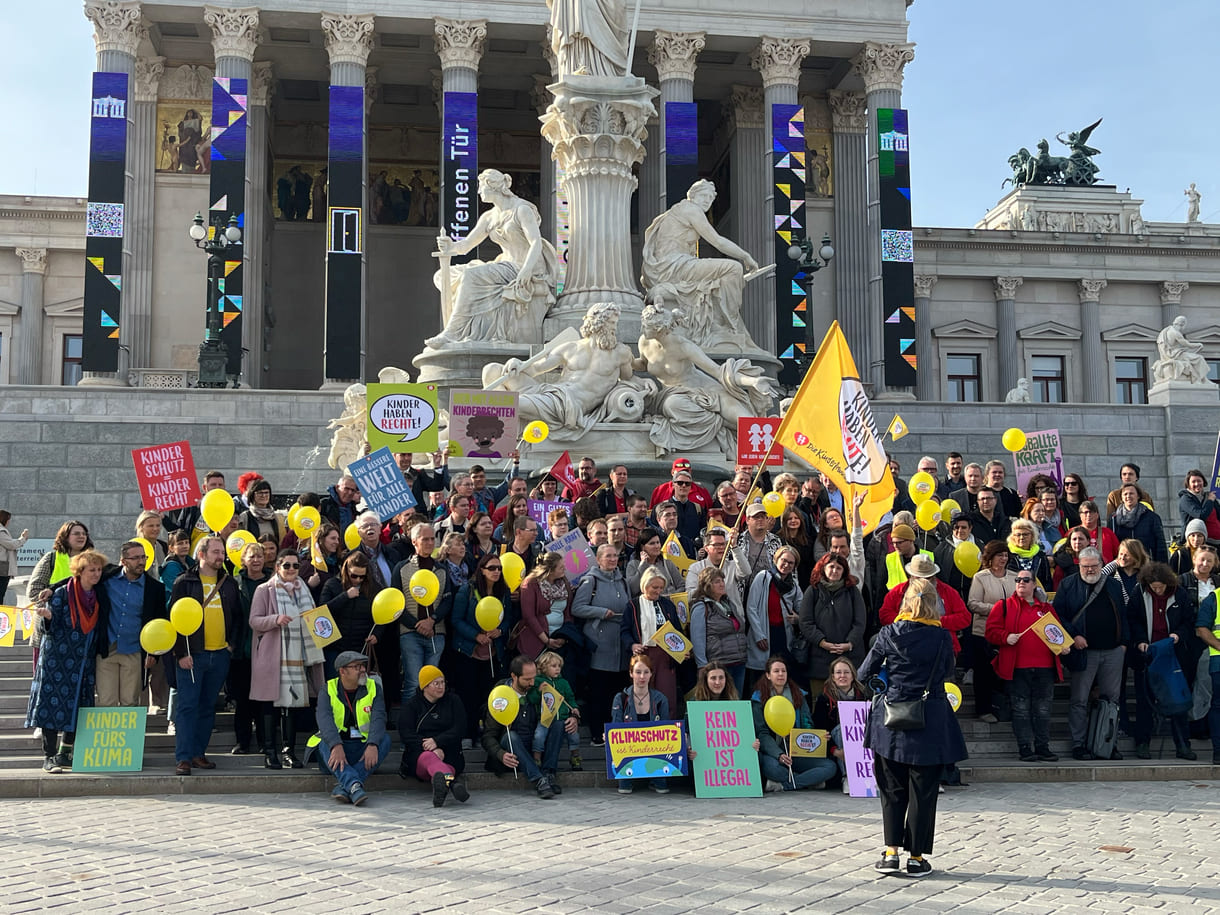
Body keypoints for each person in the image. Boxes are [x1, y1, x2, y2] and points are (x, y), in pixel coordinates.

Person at [859, 578, 967, 877]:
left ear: (905, 602)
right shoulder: (942, 637)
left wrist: (887, 685)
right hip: (930, 718)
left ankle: (891, 853)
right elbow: (947, 671)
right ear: (934, 604)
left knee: (892, 788)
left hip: (891, 718)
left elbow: (864, 672)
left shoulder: (888, 633)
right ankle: (917, 857)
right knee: (924, 792)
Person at [426, 169, 558, 349]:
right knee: (443, 275)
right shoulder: (489, 217)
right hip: (504, 265)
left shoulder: (521, 210)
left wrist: (526, 270)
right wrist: (450, 246)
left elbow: (536, 243)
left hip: (523, 267)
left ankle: (452, 332)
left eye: (481, 186)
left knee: (471, 276)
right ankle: (466, 329)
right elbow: (466, 245)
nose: (479, 191)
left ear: (492, 186)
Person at [26, 550, 110, 772]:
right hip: (57, 660)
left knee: (79, 706)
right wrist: (49, 618)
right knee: (52, 706)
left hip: (83, 661)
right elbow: (50, 628)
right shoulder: (62, 593)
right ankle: (49, 756)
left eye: (99, 570)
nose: (96, 574)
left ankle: (65, 753)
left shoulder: (99, 594)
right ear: (80, 572)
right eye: (92, 570)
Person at [169, 536, 242, 775]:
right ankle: (183, 758)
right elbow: (174, 618)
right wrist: (180, 653)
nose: (221, 556)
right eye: (216, 552)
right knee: (187, 706)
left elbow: (237, 617)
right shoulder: (185, 582)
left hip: (219, 655)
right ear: (202, 554)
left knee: (207, 707)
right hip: (192, 655)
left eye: (222, 552)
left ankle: (199, 753)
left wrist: (230, 646)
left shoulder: (229, 583)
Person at [249, 550, 325, 770]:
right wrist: (275, 619)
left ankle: (289, 752)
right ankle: (270, 752)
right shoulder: (265, 590)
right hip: (274, 656)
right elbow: (254, 620)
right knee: (270, 707)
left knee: (290, 707)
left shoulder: (304, 591)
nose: (291, 570)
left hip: (297, 656)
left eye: (295, 566)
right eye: (287, 566)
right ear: (277, 568)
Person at [1052, 547, 1130, 761]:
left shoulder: (1113, 585)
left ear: (1101, 564)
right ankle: (1079, 744)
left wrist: (1124, 644)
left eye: (1094, 566)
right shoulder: (1068, 584)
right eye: (1085, 566)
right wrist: (1074, 636)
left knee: (1111, 701)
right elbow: (1058, 616)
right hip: (1084, 652)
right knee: (1079, 699)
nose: (1089, 570)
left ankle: (1108, 743)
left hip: (1113, 651)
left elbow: (1124, 615)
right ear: (1079, 565)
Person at [985, 568, 1068, 762]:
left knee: (1043, 709)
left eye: (1025, 580)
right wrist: (1006, 637)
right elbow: (990, 632)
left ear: (1034, 584)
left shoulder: (1047, 608)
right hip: (1017, 668)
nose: (1021, 582)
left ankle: (1042, 747)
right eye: (1018, 580)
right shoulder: (1004, 605)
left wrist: (1063, 647)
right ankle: (1025, 748)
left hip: (1044, 668)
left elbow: (1057, 633)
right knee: (1020, 710)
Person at [1129, 563, 1195, 759]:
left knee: (1177, 700)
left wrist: (1178, 635)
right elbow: (1133, 619)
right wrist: (1140, 640)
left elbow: (1188, 621)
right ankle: (1143, 743)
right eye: (1154, 587)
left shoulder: (1180, 594)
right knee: (1144, 702)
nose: (1157, 590)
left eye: (1160, 587)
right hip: (1147, 653)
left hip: (1173, 654)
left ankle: (1183, 745)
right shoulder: (1139, 593)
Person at [307, 651, 391, 806]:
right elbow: (324, 721)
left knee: (384, 740)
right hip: (336, 753)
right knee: (322, 741)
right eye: (357, 666)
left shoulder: (374, 687)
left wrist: (372, 744)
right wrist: (335, 745)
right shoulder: (328, 689)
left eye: (363, 666)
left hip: (362, 750)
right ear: (342, 671)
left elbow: (379, 718)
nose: (363, 670)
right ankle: (354, 785)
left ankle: (347, 785)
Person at [572, 544, 632, 746]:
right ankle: (598, 734)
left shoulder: (622, 581)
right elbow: (577, 608)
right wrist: (600, 612)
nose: (613, 559)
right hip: (600, 645)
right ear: (598, 559)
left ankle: (617, 734)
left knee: (619, 692)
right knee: (600, 694)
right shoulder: (590, 580)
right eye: (608, 556)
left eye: (615, 555)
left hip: (620, 647)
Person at [481, 656, 564, 799]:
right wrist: (500, 754)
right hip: (513, 748)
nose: (532, 682)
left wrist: (573, 718)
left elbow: (561, 709)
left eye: (534, 678)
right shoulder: (500, 697)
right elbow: (488, 735)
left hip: (536, 745)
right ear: (514, 676)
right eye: (527, 679)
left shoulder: (540, 688)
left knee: (558, 724)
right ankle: (539, 780)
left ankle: (548, 774)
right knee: (510, 737)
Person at [751, 656, 838, 793]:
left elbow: (807, 723)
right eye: (776, 671)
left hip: (797, 750)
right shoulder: (758, 698)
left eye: (783, 671)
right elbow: (762, 733)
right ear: (768, 675)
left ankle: (786, 785)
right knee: (774, 770)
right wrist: (779, 754)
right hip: (774, 753)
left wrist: (818, 738)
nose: (780, 674)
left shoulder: (798, 695)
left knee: (830, 767)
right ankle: (808, 780)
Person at [97, 540, 166, 707]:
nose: (141, 561)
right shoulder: (106, 577)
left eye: (144, 557)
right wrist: (51, 588)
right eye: (136, 558)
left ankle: (127, 735)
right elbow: (78, 578)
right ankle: (109, 734)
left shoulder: (154, 588)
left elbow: (159, 621)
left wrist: (154, 654)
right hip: (107, 649)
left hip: (134, 651)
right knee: (106, 702)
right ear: (123, 561)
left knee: (130, 703)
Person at [451, 554, 510, 743]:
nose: (497, 572)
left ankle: (489, 735)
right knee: (469, 694)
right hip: (469, 651)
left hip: (493, 652)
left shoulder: (503, 592)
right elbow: (456, 620)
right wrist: (476, 636)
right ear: (482, 570)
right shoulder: (466, 590)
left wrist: (500, 630)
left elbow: (508, 618)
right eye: (492, 568)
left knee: (489, 694)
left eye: (499, 568)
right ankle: (468, 733)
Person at [392, 524, 450, 701]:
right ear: (414, 541)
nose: (430, 542)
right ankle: (410, 724)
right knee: (413, 682)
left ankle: (430, 722)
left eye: (432, 539)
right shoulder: (401, 568)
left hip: (436, 633)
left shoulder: (441, 569)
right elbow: (395, 602)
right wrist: (417, 625)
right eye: (425, 539)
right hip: (410, 633)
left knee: (433, 682)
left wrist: (432, 620)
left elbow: (447, 600)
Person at [397, 664, 469, 807]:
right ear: (425, 686)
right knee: (430, 758)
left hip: (449, 752)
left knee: (446, 762)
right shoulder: (412, 706)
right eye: (436, 683)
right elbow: (406, 734)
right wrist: (429, 747)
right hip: (421, 754)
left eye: (442, 682)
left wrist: (438, 741)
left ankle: (444, 783)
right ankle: (452, 783)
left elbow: (460, 728)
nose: (440, 686)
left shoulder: (454, 701)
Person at [27, 520, 93, 670]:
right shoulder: (51, 559)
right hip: (50, 630)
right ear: (65, 536)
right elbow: (34, 591)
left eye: (84, 534)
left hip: (80, 630)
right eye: (76, 533)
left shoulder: (93, 562)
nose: (81, 536)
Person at [799, 553, 867, 698]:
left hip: (849, 658)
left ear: (844, 571)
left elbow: (860, 621)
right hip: (819, 660)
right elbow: (805, 622)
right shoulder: (813, 591)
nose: (834, 571)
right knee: (820, 704)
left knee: (850, 702)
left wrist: (849, 643)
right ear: (823, 568)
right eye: (831, 567)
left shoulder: (852, 591)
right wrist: (822, 642)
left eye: (839, 568)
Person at [622, 567, 686, 714]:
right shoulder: (633, 605)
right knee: (643, 694)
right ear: (645, 586)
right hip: (643, 655)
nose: (658, 591)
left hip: (665, 655)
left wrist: (683, 650)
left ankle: (669, 730)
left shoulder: (667, 604)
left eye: (661, 588)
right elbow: (624, 630)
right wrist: (632, 645)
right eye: (654, 587)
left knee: (667, 694)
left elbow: (677, 631)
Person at [966, 541, 1016, 723]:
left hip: (1009, 632)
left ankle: (1003, 707)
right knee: (983, 673)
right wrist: (998, 608)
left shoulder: (1014, 576)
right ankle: (983, 709)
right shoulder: (981, 577)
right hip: (984, 632)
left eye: (1005, 555)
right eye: (999, 555)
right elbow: (973, 603)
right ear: (991, 557)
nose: (1003, 559)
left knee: (1005, 672)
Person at [611, 653, 674, 795]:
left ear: (651, 674)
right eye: (638, 672)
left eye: (646, 672)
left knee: (662, 788)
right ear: (631, 674)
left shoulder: (660, 699)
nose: (642, 677)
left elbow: (666, 730)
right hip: (628, 749)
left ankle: (655, 779)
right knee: (624, 789)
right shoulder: (620, 698)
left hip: (656, 749)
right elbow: (616, 728)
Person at [231, 541, 269, 755]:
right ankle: (243, 742)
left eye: (259, 556)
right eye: (252, 556)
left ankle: (266, 742)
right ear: (243, 560)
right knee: (243, 700)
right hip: (242, 650)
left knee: (264, 701)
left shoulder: (273, 582)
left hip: (267, 650)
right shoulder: (235, 583)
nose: (256, 560)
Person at [812, 656, 869, 793]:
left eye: (846, 672)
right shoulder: (824, 698)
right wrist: (834, 750)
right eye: (838, 673)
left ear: (853, 675)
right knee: (840, 730)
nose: (842, 676)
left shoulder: (865, 695)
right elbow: (820, 729)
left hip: (863, 742)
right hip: (835, 744)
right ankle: (848, 776)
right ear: (832, 676)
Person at [689, 566, 748, 695]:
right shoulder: (701, 607)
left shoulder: (729, 603)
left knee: (736, 702)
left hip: (738, 661)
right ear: (707, 585)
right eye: (717, 581)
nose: (722, 584)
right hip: (718, 665)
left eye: (722, 580)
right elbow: (697, 638)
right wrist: (701, 665)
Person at [745, 546, 802, 681]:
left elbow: (802, 609)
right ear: (776, 559)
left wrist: (798, 619)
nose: (786, 565)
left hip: (783, 634)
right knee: (762, 675)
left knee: (781, 673)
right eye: (784, 560)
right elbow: (751, 607)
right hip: (764, 632)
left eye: (791, 563)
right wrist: (759, 635)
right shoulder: (763, 577)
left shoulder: (793, 585)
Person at [320, 551, 379, 680]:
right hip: (335, 647)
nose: (358, 580)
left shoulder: (373, 588)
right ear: (346, 571)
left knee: (360, 688)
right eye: (354, 576)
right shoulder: (332, 584)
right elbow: (322, 613)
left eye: (362, 577)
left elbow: (381, 616)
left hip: (361, 647)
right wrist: (345, 596)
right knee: (335, 687)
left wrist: (377, 634)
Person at [528, 651, 582, 771]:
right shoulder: (537, 681)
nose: (557, 669)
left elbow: (570, 698)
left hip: (562, 718)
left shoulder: (563, 683)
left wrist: (575, 708)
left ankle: (575, 757)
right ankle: (537, 759)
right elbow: (532, 699)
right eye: (554, 666)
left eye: (559, 666)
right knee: (538, 736)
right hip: (545, 718)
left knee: (574, 736)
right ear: (543, 667)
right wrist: (538, 691)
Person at [518, 552, 575, 661]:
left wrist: (564, 636)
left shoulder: (564, 583)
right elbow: (529, 616)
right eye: (561, 567)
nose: (565, 569)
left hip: (559, 638)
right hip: (536, 640)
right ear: (550, 570)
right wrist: (546, 640)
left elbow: (568, 613)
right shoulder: (531, 584)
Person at [1109, 483, 1168, 564]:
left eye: (1131, 493)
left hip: (1146, 564)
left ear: (1138, 496)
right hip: (1123, 565)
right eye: (1125, 494)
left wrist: (1161, 567)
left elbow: (1160, 545)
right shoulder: (1113, 519)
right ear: (1121, 498)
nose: (1128, 496)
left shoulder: (1152, 517)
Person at [302, 522, 343, 603]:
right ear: (321, 539)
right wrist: (309, 585)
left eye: (338, 539)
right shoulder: (308, 564)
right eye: (333, 538)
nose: (337, 542)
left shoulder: (336, 562)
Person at [1006, 519, 1051, 588]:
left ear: (1032, 536)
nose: (1021, 538)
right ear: (1013, 537)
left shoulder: (1040, 556)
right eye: (1018, 535)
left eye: (1025, 534)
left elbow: (1047, 580)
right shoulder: (1007, 555)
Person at [239, 479, 285, 545]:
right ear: (252, 495)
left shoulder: (277, 517)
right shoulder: (245, 517)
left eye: (266, 492)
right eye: (260, 493)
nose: (263, 495)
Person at [1179, 469, 1220, 541]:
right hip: (1198, 542)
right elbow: (1201, 516)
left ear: (1203, 482)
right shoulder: (1186, 499)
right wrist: (1210, 501)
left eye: (1199, 481)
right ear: (1188, 484)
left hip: (1216, 541)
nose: (1197, 484)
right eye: (1193, 482)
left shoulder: (1208, 496)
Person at [0, 510, 28, 601]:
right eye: (8, 519)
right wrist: (23, 538)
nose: (9, 522)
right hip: (2, 569)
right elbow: (12, 545)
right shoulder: (1, 531)